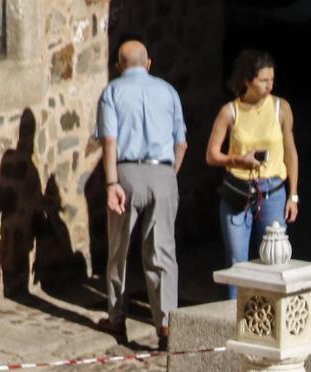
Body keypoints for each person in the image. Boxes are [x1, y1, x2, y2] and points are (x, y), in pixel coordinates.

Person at [97, 39, 187, 348]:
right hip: (162, 172)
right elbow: (182, 143)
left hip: (126, 172)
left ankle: (117, 318)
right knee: (162, 252)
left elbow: (109, 141)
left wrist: (111, 184)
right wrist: (167, 175)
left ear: (119, 65)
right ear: (148, 63)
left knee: (118, 249)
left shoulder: (112, 92)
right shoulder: (168, 91)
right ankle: (165, 326)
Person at [207, 48, 300, 297]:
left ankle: (268, 315)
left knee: (274, 258)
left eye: (272, 79)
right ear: (248, 80)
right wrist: (239, 159)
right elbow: (212, 155)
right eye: (263, 80)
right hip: (238, 191)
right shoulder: (230, 111)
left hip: (273, 191)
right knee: (237, 260)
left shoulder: (281, 108)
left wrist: (293, 195)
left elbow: (290, 152)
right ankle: (235, 315)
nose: (270, 85)